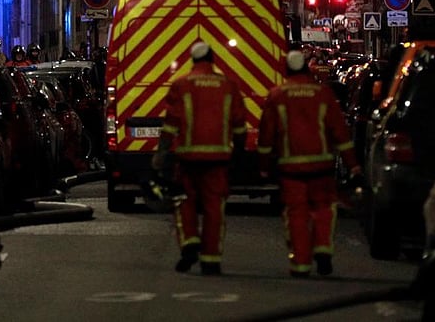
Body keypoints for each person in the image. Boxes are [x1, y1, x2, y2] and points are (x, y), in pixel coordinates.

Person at [257, 50, 362, 278]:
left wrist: (264, 166)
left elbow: (266, 136)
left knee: (297, 214)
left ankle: (301, 265)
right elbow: (340, 133)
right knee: (324, 209)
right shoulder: (323, 94)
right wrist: (353, 165)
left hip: (291, 168)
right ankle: (323, 251)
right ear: (306, 67)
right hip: (322, 167)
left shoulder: (277, 95)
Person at [151, 41, 247, 275]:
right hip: (218, 159)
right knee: (215, 208)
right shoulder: (228, 86)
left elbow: (171, 125)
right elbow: (239, 126)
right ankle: (211, 259)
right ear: (212, 60)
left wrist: (161, 156)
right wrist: (239, 154)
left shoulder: (181, 85)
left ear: (193, 61)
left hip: (188, 158)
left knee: (184, 201)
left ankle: (190, 242)